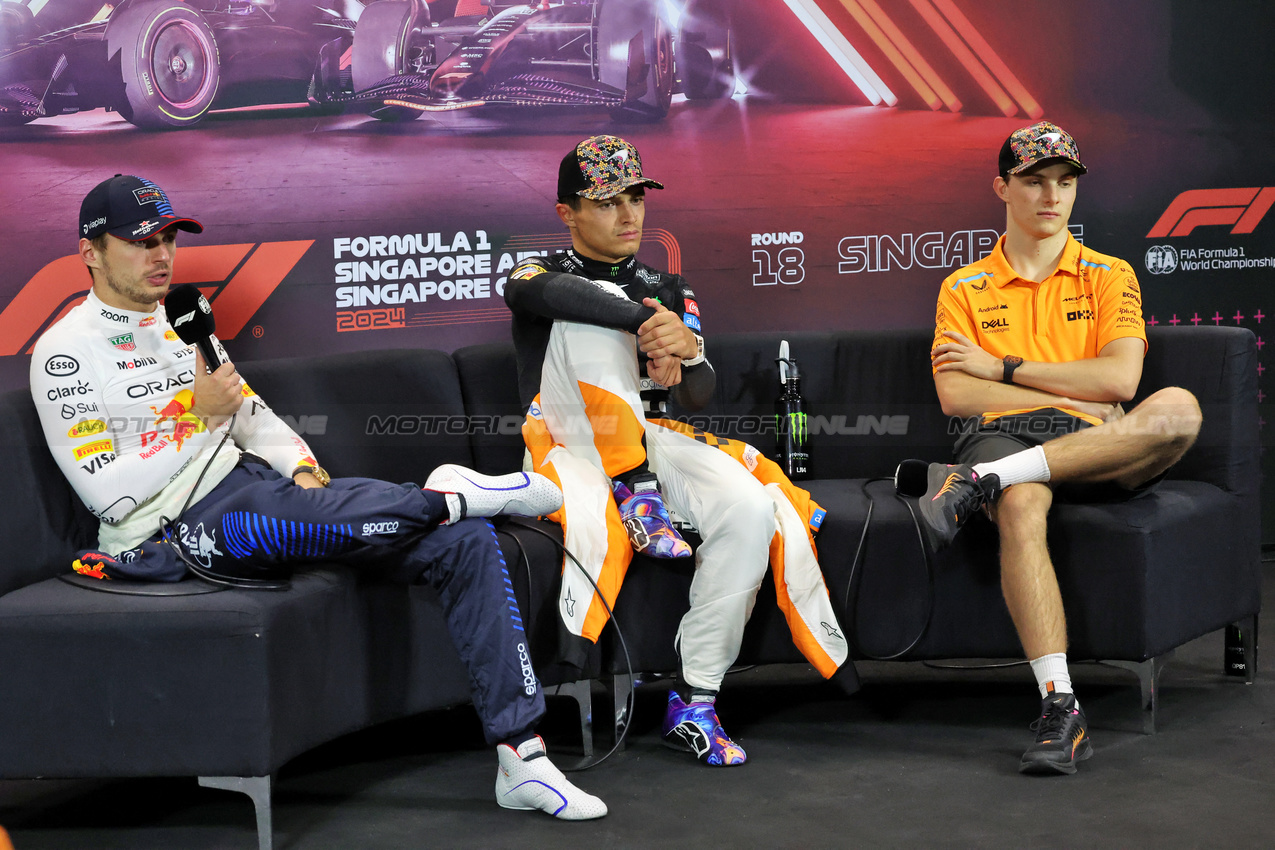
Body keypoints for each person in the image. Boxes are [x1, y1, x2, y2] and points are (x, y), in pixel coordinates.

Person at [31, 174, 607, 820]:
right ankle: (449, 496)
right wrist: (197, 417)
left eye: (168, 238)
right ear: (91, 253)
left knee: (464, 543)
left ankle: (520, 755)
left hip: (258, 492)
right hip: (168, 536)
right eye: (141, 242)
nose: (161, 255)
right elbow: (108, 497)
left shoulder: (182, 321)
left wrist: (300, 463)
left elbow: (248, 414)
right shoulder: (63, 353)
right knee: (280, 519)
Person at [504, 136, 851, 767]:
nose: (629, 214)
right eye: (607, 201)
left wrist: (686, 353)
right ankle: (636, 494)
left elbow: (698, 395)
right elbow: (546, 298)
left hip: (654, 438)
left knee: (749, 509)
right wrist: (642, 322)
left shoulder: (668, 282)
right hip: (568, 445)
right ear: (567, 212)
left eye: (635, 197)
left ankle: (696, 701)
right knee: (593, 314)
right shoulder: (537, 272)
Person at [897, 122, 1202, 775]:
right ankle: (1059, 707)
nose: (1050, 196)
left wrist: (1001, 366)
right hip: (1012, 436)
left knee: (1177, 409)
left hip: (1093, 442)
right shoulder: (964, 287)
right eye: (1034, 181)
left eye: (1063, 183)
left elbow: (1120, 381)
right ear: (1001, 186)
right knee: (1021, 503)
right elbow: (955, 395)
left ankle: (977, 481)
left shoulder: (1107, 274)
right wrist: (1067, 391)